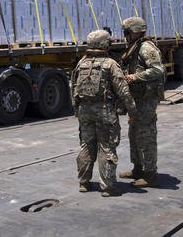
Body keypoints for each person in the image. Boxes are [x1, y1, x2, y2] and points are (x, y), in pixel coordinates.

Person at [71, 29, 136, 197]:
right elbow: (123, 90)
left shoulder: (81, 63)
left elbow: (73, 88)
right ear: (105, 44)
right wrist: (132, 110)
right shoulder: (110, 64)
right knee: (106, 146)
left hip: (84, 111)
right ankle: (107, 187)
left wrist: (77, 111)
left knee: (86, 145)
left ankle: (84, 182)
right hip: (105, 111)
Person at [118, 17, 166, 188]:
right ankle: (138, 168)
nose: (125, 35)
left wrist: (135, 77)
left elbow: (158, 70)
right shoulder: (134, 46)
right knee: (134, 134)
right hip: (137, 98)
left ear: (133, 32)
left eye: (126, 32)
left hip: (146, 99)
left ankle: (150, 173)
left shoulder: (146, 48)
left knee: (146, 135)